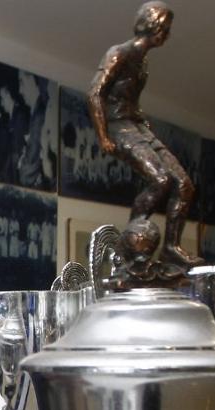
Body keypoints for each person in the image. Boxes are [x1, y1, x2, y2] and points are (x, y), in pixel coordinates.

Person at [88, 1, 200, 267]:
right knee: (160, 181)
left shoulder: (143, 62)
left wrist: (140, 117)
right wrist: (103, 135)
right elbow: (95, 93)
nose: (167, 35)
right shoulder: (119, 53)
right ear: (154, 27)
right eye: (165, 29)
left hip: (135, 125)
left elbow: (128, 98)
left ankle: (171, 246)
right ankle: (131, 242)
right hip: (118, 126)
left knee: (184, 185)